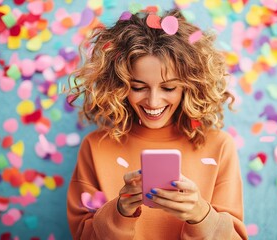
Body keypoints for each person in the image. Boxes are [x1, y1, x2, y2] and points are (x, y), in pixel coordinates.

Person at [66, 7, 248, 240]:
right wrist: (120, 211)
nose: (153, 101)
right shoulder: (95, 146)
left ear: (189, 85)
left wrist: (200, 215)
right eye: (138, 87)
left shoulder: (220, 146)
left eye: (169, 88)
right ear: (119, 86)